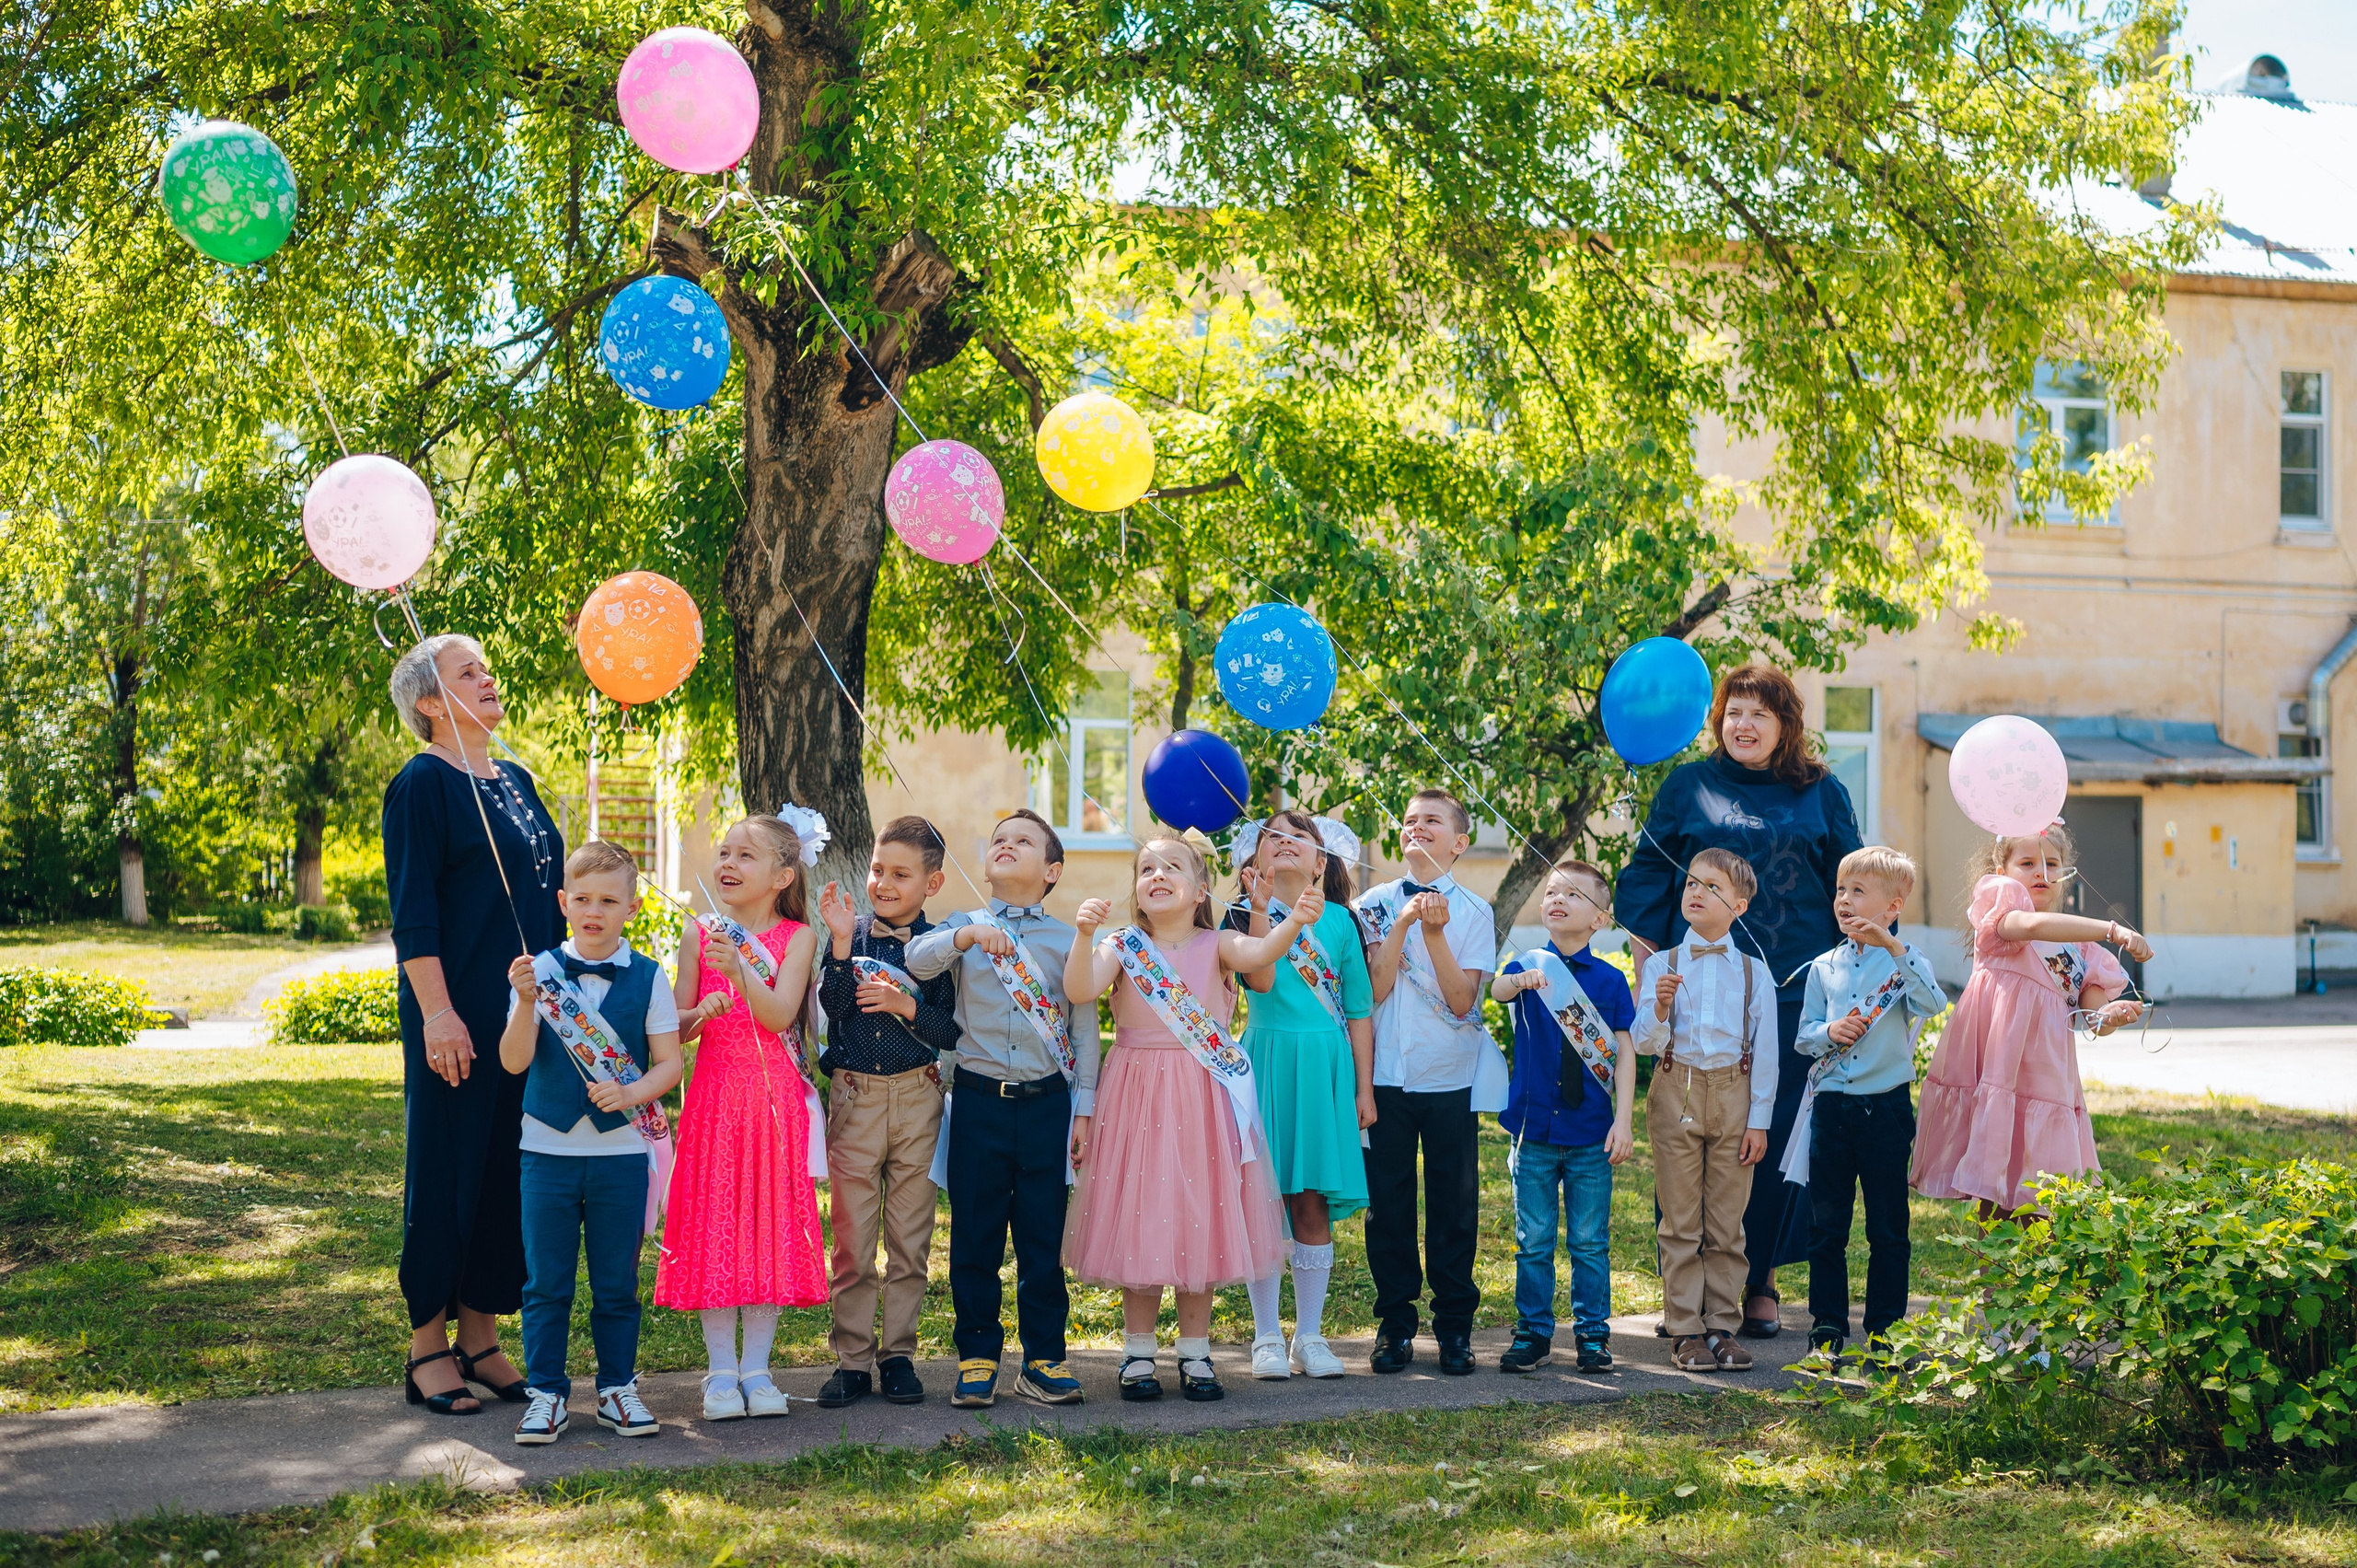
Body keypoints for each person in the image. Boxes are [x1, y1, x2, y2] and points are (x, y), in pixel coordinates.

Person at [1613, 664, 1862, 1340]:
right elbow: (1645, 880)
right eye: (1732, 713)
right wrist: (1655, 976)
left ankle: (1760, 1280)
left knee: (1772, 1139)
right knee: (1694, 1135)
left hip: (1793, 996)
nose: (1743, 725)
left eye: (1759, 713)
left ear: (1786, 725)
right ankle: (1689, 1290)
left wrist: (1858, 981)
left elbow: (1853, 881)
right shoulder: (1687, 786)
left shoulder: (1821, 792)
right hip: (1700, 992)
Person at [383, 633, 564, 1416]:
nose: (488, 678)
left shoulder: (519, 781)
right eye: (468, 672)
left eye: (488, 667)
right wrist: (439, 1013)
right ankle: (428, 1343)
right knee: (448, 1170)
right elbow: (414, 917)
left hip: (528, 1018)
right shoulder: (421, 785)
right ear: (429, 702)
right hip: (455, 1018)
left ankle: (482, 1337)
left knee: (504, 1172)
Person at [1062, 837, 1307, 1402]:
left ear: (1201, 891)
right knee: (1142, 1217)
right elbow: (1079, 988)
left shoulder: (1219, 942)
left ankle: (1196, 1355)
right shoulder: (1123, 945)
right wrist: (1082, 935)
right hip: (1137, 1096)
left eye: (1173, 866)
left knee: (1204, 1217)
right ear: (1138, 892)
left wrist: (1291, 918)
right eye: (1146, 868)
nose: (1157, 874)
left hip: (1201, 1094)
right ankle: (1138, 1351)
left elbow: (1261, 954)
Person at [904, 809, 1100, 1410]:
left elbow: (1085, 1027)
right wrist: (963, 937)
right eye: (998, 840)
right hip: (980, 1106)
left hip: (1046, 1107)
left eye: (1023, 840)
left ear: (1052, 869)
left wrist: (1085, 1107)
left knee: (1042, 1238)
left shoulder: (1068, 940)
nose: (1006, 845)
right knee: (975, 1238)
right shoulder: (965, 925)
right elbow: (917, 958)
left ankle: (1044, 1358)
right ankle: (978, 1356)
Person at [494, 841, 684, 1445]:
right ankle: (545, 1393)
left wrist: (632, 1095)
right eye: (582, 899)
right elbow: (512, 1058)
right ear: (563, 902)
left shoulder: (650, 977)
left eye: (608, 899)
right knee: (545, 1282)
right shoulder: (538, 974)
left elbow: (669, 1066)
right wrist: (526, 1003)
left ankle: (616, 1389)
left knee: (615, 1283)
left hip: (621, 1156)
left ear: (631, 905)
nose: (594, 910)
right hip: (546, 1151)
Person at [656, 811, 828, 1422]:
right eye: (724, 852)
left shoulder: (799, 935)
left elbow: (781, 1014)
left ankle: (758, 1367)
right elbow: (676, 1026)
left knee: (765, 1224)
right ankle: (721, 1371)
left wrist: (740, 972)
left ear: (782, 874)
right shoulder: (698, 931)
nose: (727, 863)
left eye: (744, 856)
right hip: (715, 1093)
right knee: (718, 1221)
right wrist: (701, 1007)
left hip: (773, 1096)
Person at [1910, 823, 2150, 1219]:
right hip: (2000, 1072)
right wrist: (2113, 929)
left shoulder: (2079, 947)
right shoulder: (2001, 916)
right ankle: (1994, 1281)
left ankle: (2034, 1280)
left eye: (2052, 863)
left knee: (2043, 1190)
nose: (2042, 872)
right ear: (2002, 872)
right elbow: (2034, 926)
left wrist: (2110, 1016)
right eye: (2028, 862)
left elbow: (2091, 1017)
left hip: (2047, 1080)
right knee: (1996, 1187)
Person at [811, 815, 961, 1409]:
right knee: (851, 1237)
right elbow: (834, 1005)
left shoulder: (940, 948)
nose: (884, 883)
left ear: (933, 883)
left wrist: (905, 1005)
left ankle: (898, 1354)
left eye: (901, 874)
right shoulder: (849, 935)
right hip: (855, 1100)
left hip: (918, 1096)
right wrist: (843, 945)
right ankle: (851, 1359)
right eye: (878, 870)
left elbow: (948, 1028)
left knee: (910, 1237)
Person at [1224, 810, 1376, 1381]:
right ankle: (1266, 1335)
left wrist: (1363, 1086)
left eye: (1299, 837)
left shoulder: (1340, 922)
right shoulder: (1241, 918)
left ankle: (1308, 1335)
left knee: (1311, 1200)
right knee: (1263, 1200)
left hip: (1324, 1068)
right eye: (1272, 837)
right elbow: (1260, 981)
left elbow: (1359, 1011)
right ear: (1255, 860)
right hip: (1266, 1063)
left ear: (1322, 861)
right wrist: (1263, 911)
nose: (1284, 843)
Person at [1355, 788, 1499, 1376]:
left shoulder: (1476, 911)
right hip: (1386, 1076)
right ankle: (1394, 1325)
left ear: (1459, 842)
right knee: (1387, 1206)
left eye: (1432, 821)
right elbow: (1374, 989)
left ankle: (1455, 1328)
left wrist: (1434, 934)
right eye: (1410, 819)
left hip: (1448, 1078)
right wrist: (1404, 924)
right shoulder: (1372, 904)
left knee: (1452, 1204)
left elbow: (1464, 1001)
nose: (1417, 827)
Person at [1791, 847, 1945, 1358]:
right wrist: (1828, 1031)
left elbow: (1933, 1003)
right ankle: (1828, 1329)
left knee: (1888, 1227)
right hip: (1833, 1109)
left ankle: (1886, 1334)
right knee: (1826, 1227)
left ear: (1892, 906)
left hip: (1886, 1109)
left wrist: (1894, 949)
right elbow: (1804, 1034)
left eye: (1859, 891)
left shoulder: (1905, 963)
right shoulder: (1823, 966)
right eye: (1840, 889)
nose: (1844, 900)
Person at [1634, 849, 1779, 1374]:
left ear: (1738, 905)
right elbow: (1646, 1043)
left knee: (1726, 1219)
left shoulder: (1754, 973)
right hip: (1678, 1089)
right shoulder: (1660, 965)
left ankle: (1721, 1324)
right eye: (1692, 883)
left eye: (1711, 887)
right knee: (1680, 1219)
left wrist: (1759, 1120)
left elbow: (1766, 1053)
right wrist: (1659, 1008)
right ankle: (1685, 1329)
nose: (1696, 892)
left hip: (1735, 1095)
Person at [1490, 859, 1636, 1376]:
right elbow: (1497, 992)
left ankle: (1593, 1336)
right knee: (1533, 1239)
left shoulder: (1613, 980)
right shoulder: (1529, 964)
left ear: (1599, 918)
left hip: (1592, 1133)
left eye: (1574, 895)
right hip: (1532, 1130)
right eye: (1552, 892)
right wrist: (1520, 982)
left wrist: (1624, 1120)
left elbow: (1623, 1053)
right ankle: (1532, 1333)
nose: (1558, 899)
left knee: (1590, 1241)